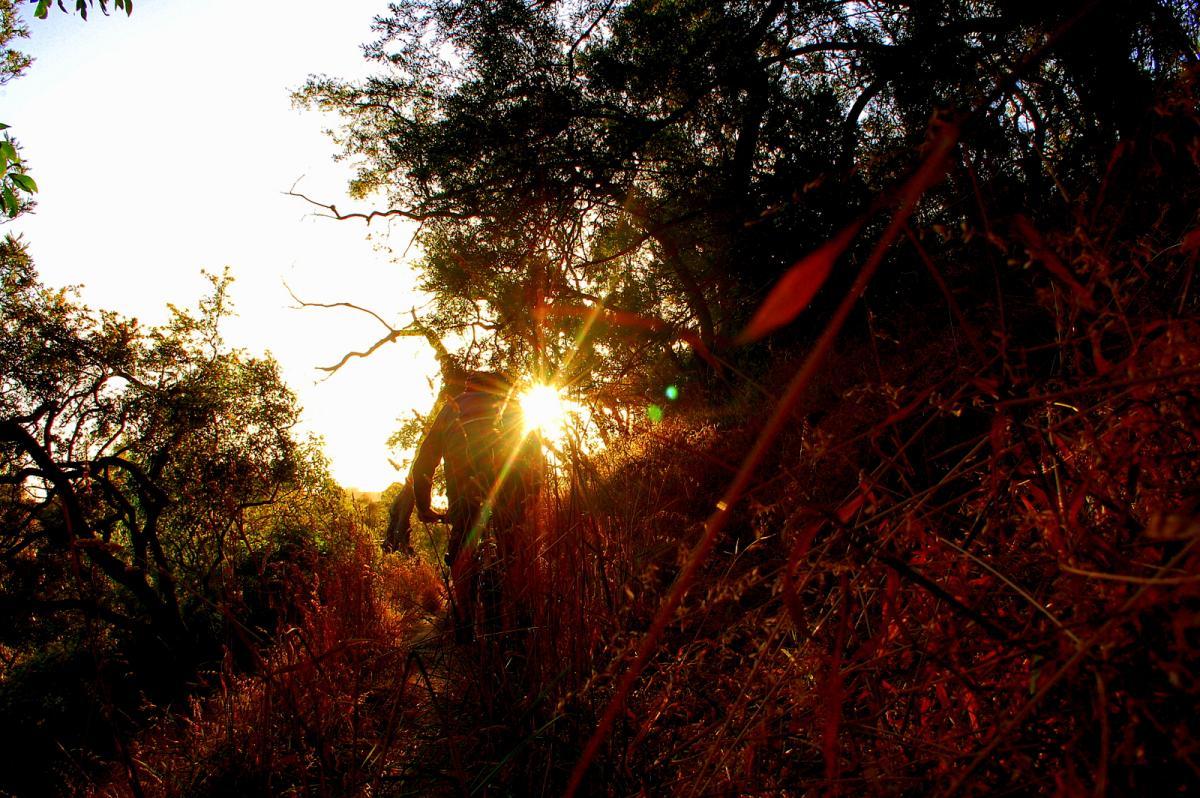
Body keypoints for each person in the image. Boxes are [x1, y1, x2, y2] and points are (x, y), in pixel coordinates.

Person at [398, 370, 538, 640]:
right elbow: (533, 457)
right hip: (510, 494)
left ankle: (463, 624)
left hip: (464, 493)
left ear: (469, 386)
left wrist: (424, 506)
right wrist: (530, 500)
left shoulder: (454, 408)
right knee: (513, 549)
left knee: (462, 550)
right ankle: (519, 624)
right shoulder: (515, 406)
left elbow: (425, 462)